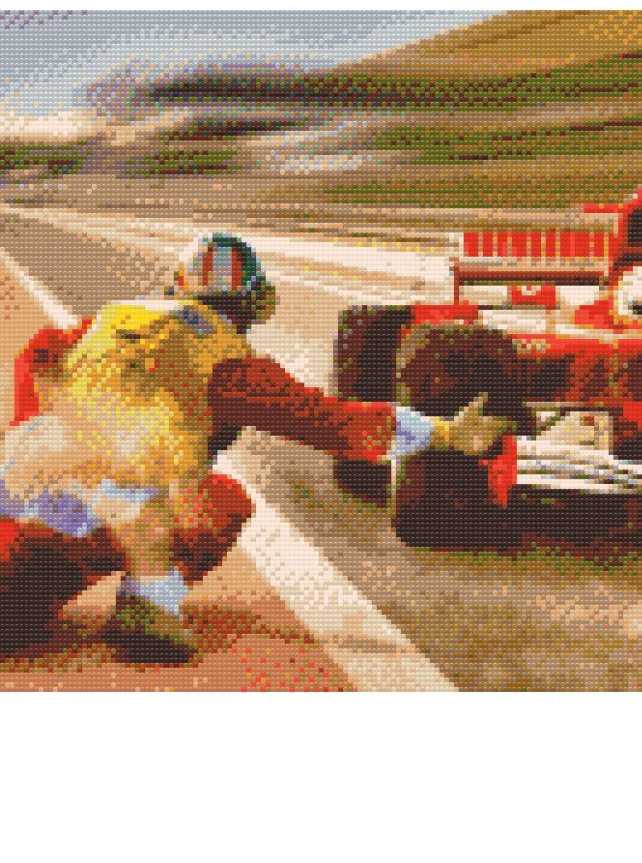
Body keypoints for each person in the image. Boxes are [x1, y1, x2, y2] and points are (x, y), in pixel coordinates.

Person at [0, 233, 509, 663]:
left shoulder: (103, 325)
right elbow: (336, 424)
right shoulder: (230, 364)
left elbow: (36, 356)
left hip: (16, 502)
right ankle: (146, 604)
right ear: (252, 302)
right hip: (57, 545)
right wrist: (445, 433)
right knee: (223, 503)